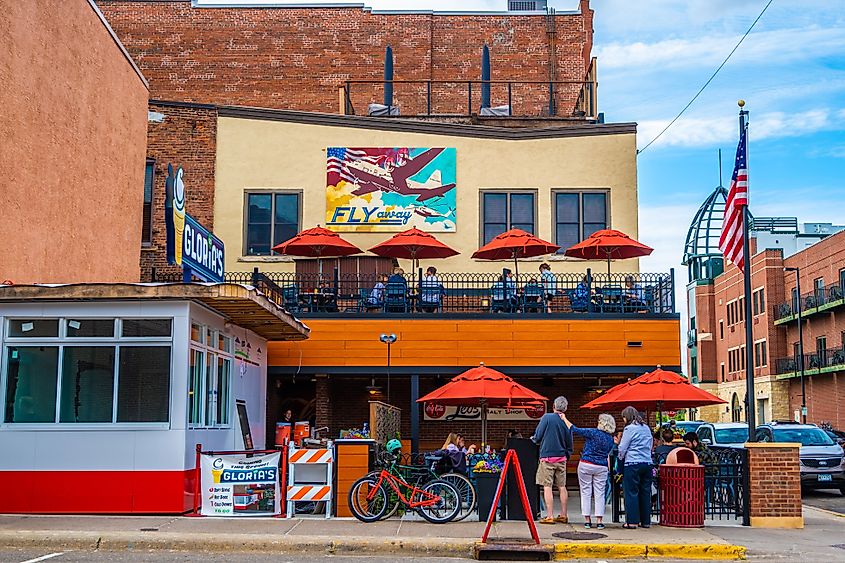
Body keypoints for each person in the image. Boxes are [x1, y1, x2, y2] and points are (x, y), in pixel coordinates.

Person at [561, 412, 616, 529]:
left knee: (586, 491)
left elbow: (574, 429)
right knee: (600, 493)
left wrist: (564, 418)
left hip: (586, 464)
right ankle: (599, 520)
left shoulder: (593, 432)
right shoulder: (610, 439)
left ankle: (587, 520)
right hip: (601, 467)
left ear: (601, 423)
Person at [530, 396, 573, 524]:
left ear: (553, 406)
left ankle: (549, 515)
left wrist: (534, 439)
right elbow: (570, 442)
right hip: (562, 458)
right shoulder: (566, 422)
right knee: (562, 486)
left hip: (547, 457)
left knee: (547, 486)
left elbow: (538, 436)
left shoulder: (547, 418)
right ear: (565, 408)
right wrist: (567, 455)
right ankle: (564, 515)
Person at [618, 405, 653, 529]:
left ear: (627, 417)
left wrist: (620, 458)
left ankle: (632, 521)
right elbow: (650, 445)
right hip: (647, 463)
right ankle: (645, 521)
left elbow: (622, 448)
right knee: (645, 492)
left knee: (631, 492)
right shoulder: (646, 428)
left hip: (632, 463)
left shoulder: (629, 429)